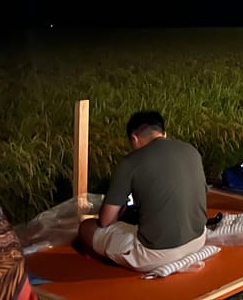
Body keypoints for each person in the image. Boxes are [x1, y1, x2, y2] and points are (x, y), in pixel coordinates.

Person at [77, 111, 207, 272]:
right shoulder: (191, 150)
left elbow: (105, 221)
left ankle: (103, 269)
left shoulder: (131, 162)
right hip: (199, 239)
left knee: (86, 227)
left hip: (156, 253)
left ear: (134, 138)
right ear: (164, 134)